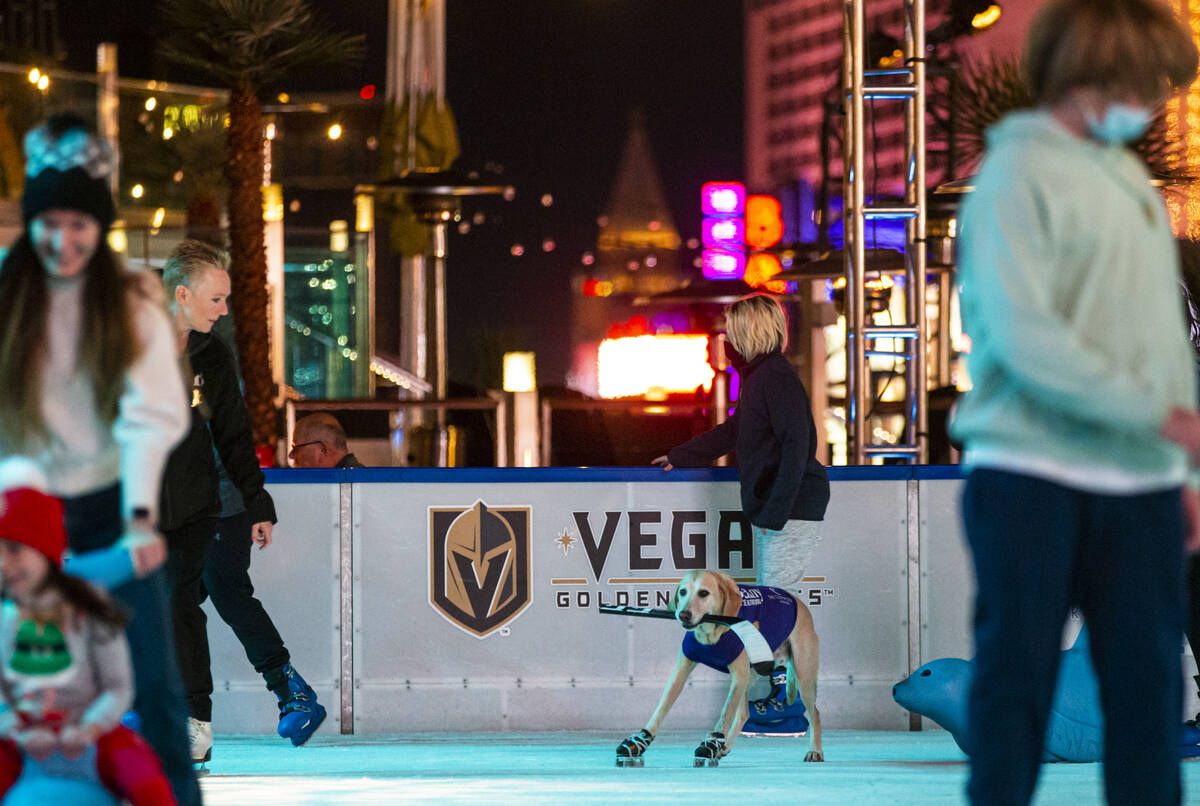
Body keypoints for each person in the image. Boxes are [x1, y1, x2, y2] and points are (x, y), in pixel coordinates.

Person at [950, 1, 1200, 802]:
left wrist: (1177, 472)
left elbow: (1163, 341)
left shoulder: (1128, 183)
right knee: (1016, 687)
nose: (1157, 100)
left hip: (1139, 486)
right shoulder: (1012, 180)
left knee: (1149, 696)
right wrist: (1158, 420)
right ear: (1099, 70)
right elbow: (1023, 340)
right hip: (1029, 476)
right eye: (1150, 80)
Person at [0, 115, 197, 805]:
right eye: (49, 222)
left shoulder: (133, 301)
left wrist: (140, 517)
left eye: (79, 223)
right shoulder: (6, 295)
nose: (63, 240)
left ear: (100, 224)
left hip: (113, 507)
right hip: (22, 515)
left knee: (156, 688)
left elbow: (150, 414)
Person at [159, 239, 325, 767]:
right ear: (182, 295)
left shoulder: (213, 355)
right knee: (167, 606)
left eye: (229, 299)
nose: (227, 311)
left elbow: (233, 434)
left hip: (205, 505)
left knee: (205, 599)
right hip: (141, 507)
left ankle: (202, 719)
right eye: (217, 300)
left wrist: (256, 501)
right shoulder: (124, 346)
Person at [654, 294, 830, 714]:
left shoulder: (776, 379)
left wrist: (775, 512)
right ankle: (776, 699)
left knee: (775, 610)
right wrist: (682, 454)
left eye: (731, 331)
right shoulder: (760, 379)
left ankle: (782, 705)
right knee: (772, 604)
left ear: (749, 331)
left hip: (791, 507)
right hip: (779, 507)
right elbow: (735, 431)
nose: (726, 339)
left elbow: (797, 446)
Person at [0, 481, 177, 805]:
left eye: (13, 549)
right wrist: (16, 730)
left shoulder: (90, 609)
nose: (3, 564)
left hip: (95, 732)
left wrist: (90, 728)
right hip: (21, 738)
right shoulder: (5, 618)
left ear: (44, 549)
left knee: (146, 780)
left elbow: (117, 687)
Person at [289, 414, 364, 468]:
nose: (291, 456)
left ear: (322, 451)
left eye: (296, 449)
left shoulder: (349, 484)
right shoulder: (361, 481)